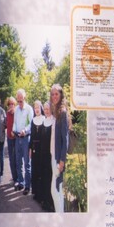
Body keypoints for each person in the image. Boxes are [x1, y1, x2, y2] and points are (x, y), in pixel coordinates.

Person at [49, 84, 70, 213]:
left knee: (55, 189)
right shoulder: (56, 112)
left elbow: (65, 139)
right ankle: (60, 214)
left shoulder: (62, 112)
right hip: (54, 155)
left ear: (61, 95)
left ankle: (59, 215)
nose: (54, 96)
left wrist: (62, 161)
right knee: (58, 189)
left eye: (56, 94)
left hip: (58, 158)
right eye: (52, 94)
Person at [12, 88, 34, 194]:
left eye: (21, 100)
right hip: (17, 138)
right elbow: (15, 122)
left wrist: (25, 130)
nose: (20, 102)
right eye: (18, 100)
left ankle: (27, 186)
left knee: (27, 163)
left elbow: (31, 123)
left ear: (24, 98)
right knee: (18, 162)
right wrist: (13, 130)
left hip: (26, 138)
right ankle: (21, 183)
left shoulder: (29, 109)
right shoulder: (16, 109)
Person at [29, 100, 46, 204]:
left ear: (41, 108)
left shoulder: (44, 119)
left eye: (38, 107)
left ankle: (41, 193)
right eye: (35, 107)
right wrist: (30, 149)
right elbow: (31, 137)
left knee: (41, 170)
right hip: (35, 148)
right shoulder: (33, 120)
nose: (36, 109)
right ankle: (36, 192)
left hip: (42, 149)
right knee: (35, 170)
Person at [5, 96, 17, 187]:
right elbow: (6, 124)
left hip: (16, 139)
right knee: (11, 159)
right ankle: (14, 177)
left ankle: (18, 178)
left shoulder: (17, 113)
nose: (11, 105)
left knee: (17, 158)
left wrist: (15, 132)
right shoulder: (7, 114)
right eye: (10, 104)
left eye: (13, 104)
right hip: (9, 139)